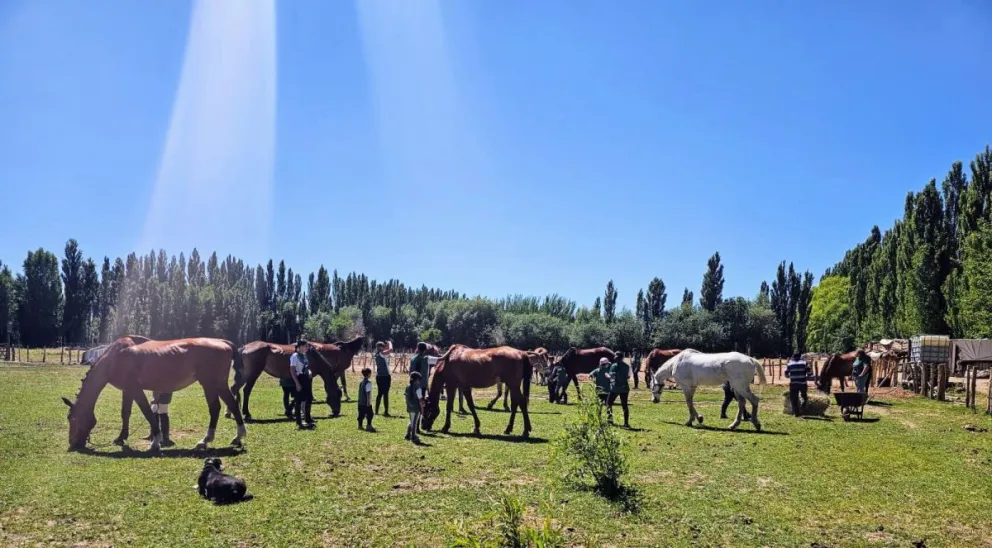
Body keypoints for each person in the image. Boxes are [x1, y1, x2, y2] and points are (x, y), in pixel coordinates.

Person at [290, 340, 315, 430]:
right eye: (305, 346)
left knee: (308, 399)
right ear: (300, 346)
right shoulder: (294, 356)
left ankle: (307, 419)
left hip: (306, 378)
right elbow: (292, 371)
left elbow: (306, 367)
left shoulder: (304, 356)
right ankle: (299, 422)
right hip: (299, 378)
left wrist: (309, 371)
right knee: (298, 401)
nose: (307, 348)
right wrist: (297, 383)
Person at [608, 353, 631, 428]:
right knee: (624, 406)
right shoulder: (627, 366)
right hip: (624, 388)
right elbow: (628, 376)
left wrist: (607, 375)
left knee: (608, 403)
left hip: (615, 388)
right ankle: (626, 423)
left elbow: (612, 377)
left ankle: (610, 421)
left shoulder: (613, 366)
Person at [785, 352, 812, 417]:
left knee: (794, 398)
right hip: (802, 383)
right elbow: (809, 373)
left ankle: (796, 413)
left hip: (793, 384)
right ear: (800, 357)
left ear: (793, 357)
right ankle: (803, 406)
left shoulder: (789, 364)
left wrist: (790, 376)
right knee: (804, 396)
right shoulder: (804, 363)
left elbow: (786, 374)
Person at [374, 341, 393, 416]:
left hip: (379, 376)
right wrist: (390, 343)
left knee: (379, 394)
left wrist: (386, 345)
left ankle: (376, 411)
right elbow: (390, 349)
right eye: (383, 346)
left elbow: (387, 350)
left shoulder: (377, 353)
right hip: (385, 376)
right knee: (385, 394)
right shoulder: (382, 353)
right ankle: (386, 411)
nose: (384, 347)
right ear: (380, 347)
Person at [404, 371, 424, 443]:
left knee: (411, 421)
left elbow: (406, 397)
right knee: (414, 423)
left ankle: (408, 434)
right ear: (417, 379)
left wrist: (407, 405)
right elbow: (420, 400)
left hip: (409, 406)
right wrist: (422, 409)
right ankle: (413, 436)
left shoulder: (407, 387)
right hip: (416, 408)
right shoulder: (418, 388)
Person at [358, 367, 375, 432]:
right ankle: (369, 426)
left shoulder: (361, 382)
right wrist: (369, 402)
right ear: (368, 374)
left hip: (360, 402)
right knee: (370, 414)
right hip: (366, 402)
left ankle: (360, 425)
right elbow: (368, 393)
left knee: (361, 414)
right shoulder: (368, 383)